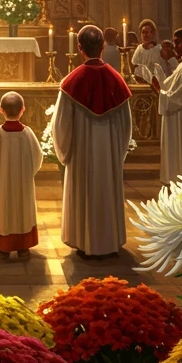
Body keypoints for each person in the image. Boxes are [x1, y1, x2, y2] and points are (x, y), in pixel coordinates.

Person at [50, 24, 132, 258]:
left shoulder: (71, 82)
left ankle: (83, 242)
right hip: (108, 154)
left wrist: (64, 153)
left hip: (82, 155)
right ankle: (110, 241)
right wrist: (118, 153)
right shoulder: (116, 80)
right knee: (107, 190)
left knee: (83, 192)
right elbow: (126, 125)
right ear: (103, 46)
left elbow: (61, 125)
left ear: (79, 48)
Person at [0, 91, 43, 259]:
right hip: (23, 183)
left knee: (4, 210)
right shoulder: (28, 133)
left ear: (1, 110)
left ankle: (4, 247)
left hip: (2, 185)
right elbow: (37, 158)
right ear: (23, 110)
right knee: (23, 210)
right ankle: (23, 247)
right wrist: (28, 175)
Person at [151, 29, 182, 184]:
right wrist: (157, 82)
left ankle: (181, 185)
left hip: (180, 117)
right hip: (173, 116)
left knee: (180, 155)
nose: (175, 46)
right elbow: (169, 85)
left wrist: (161, 92)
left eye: (178, 42)